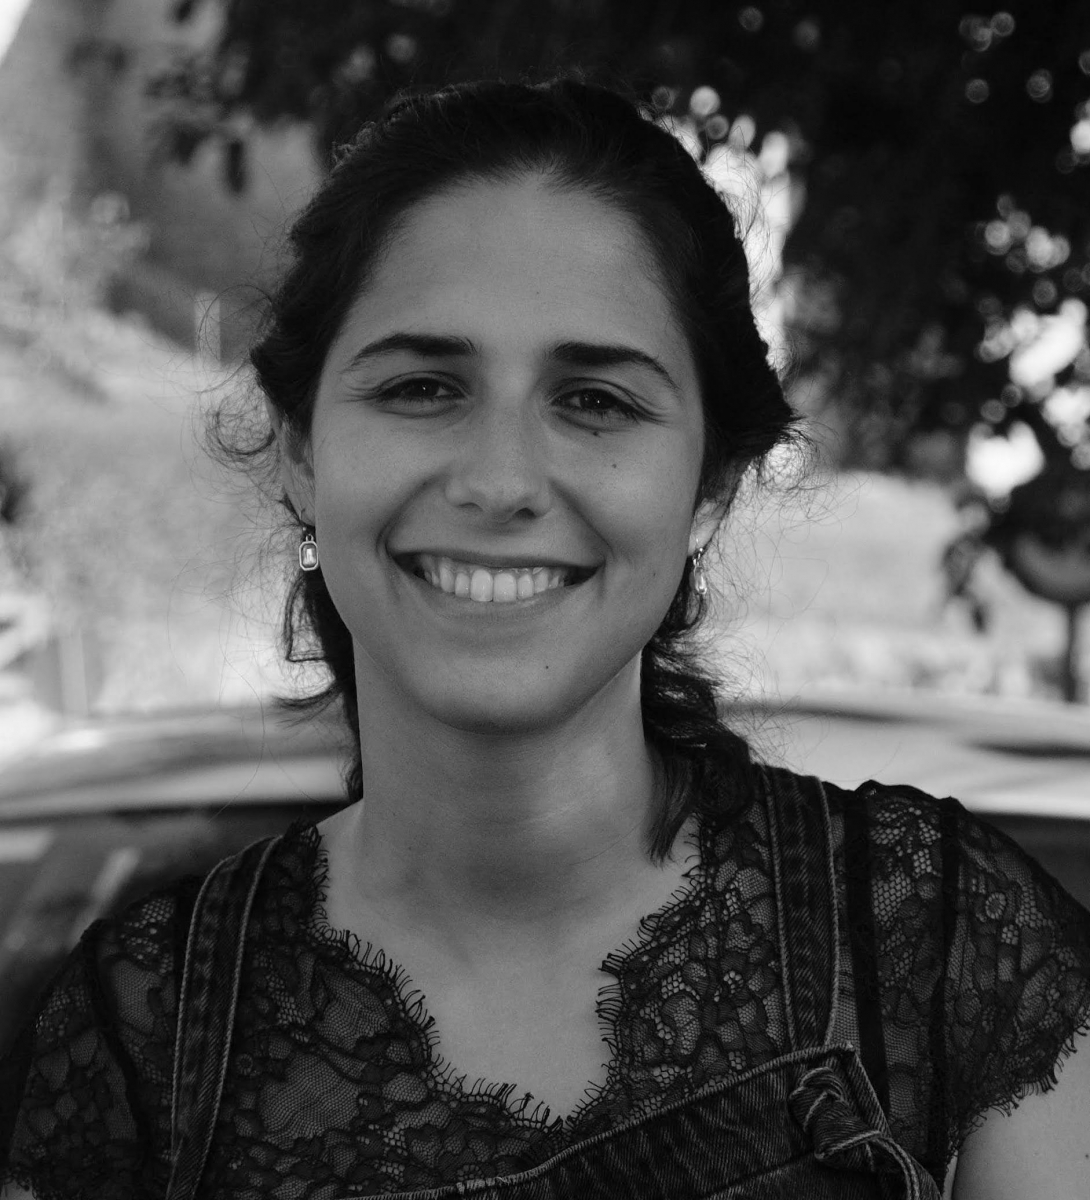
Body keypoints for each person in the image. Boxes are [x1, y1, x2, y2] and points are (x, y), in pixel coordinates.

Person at [1, 77, 1088, 1200]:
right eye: (423, 386)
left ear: (710, 486)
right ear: (302, 452)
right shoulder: (143, 1036)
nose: (502, 480)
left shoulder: (936, 943)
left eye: (596, 401)